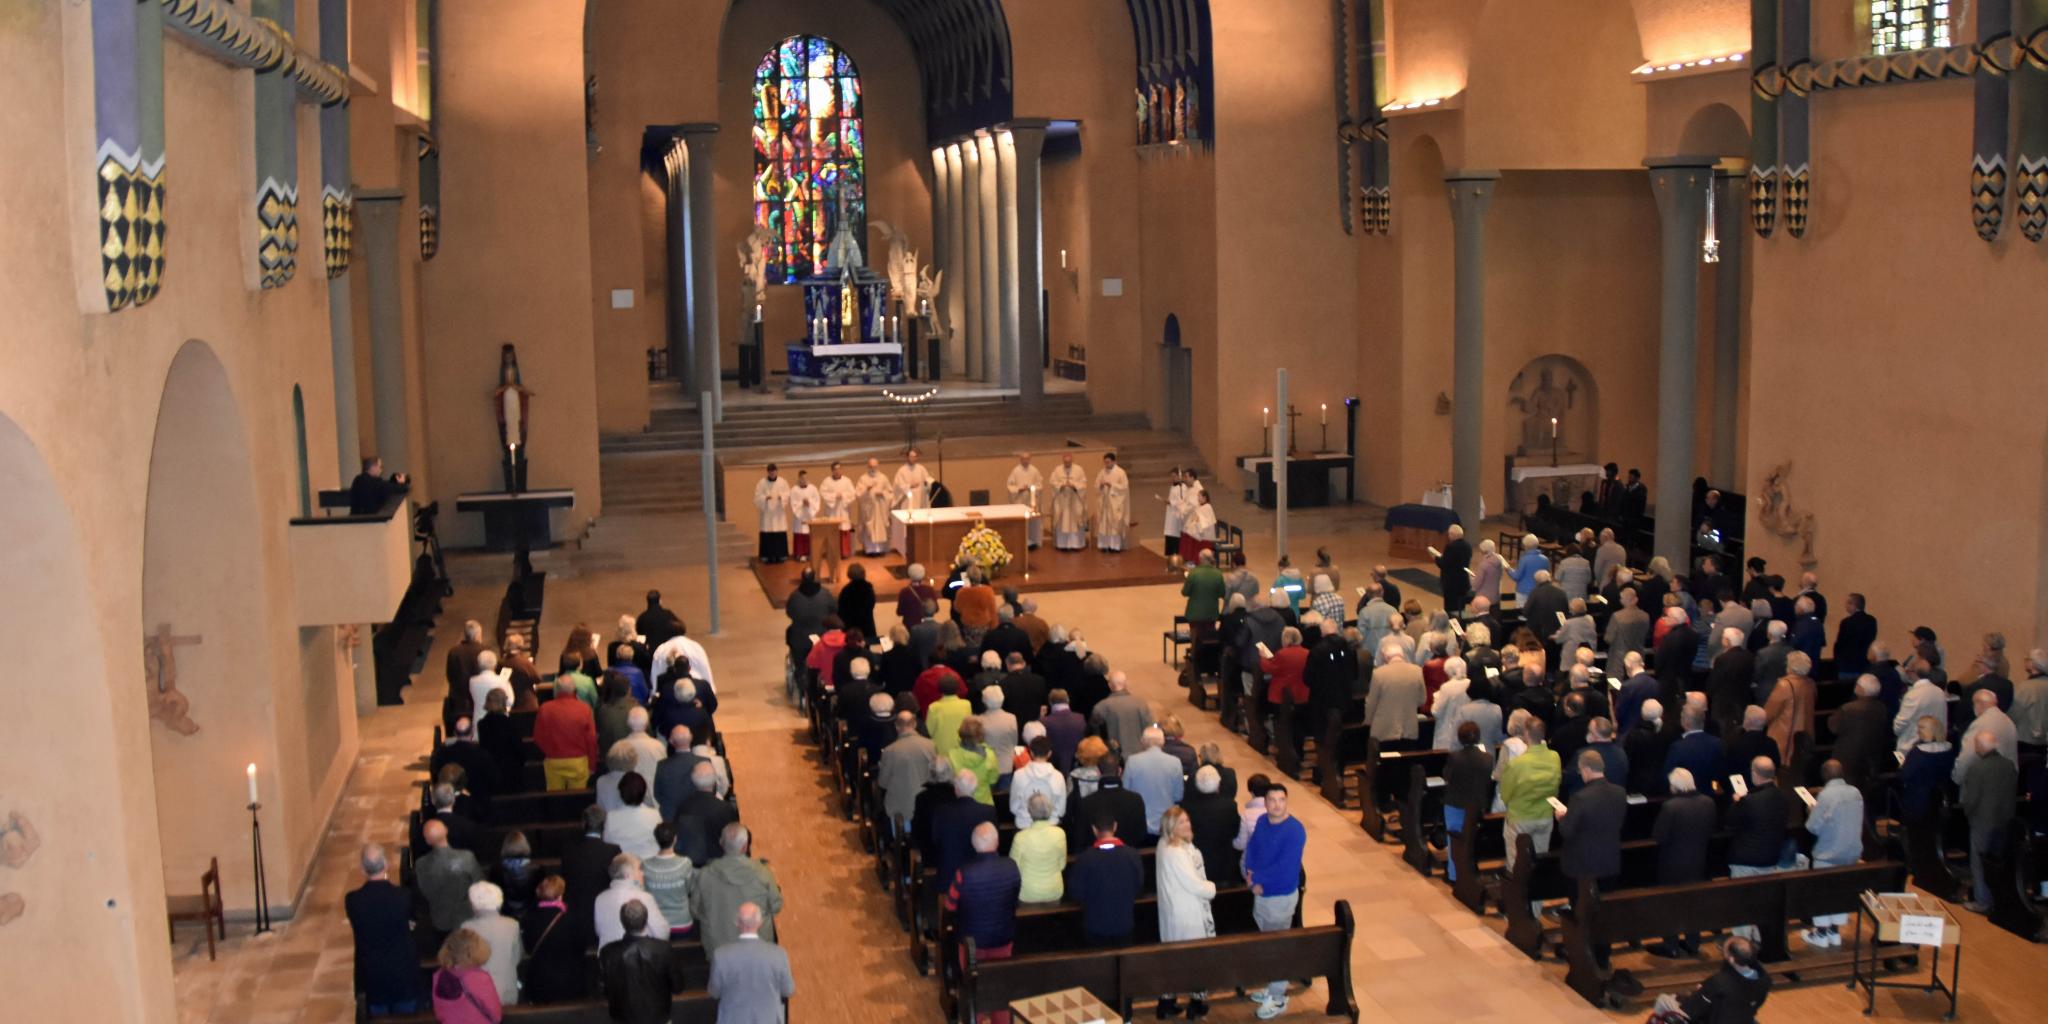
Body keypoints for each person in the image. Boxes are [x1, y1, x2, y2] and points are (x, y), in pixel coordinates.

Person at [1241, 783, 1307, 1019]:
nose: (1277, 804)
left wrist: (1257, 879)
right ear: (1265, 802)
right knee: (1268, 945)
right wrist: (1249, 875)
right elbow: (1253, 849)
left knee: (1278, 948)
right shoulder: (1261, 822)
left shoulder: (1295, 830)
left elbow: (1286, 867)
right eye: (1272, 800)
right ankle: (1272, 985)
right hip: (1260, 893)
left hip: (1280, 896)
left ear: (1286, 802)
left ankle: (1278, 997)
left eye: (1281, 799)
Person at [1558, 749, 1626, 968]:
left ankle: (1581, 953)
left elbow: (1567, 831)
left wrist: (1562, 817)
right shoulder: (1619, 792)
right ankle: (1602, 955)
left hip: (1582, 864)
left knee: (1582, 911)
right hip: (1609, 862)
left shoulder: (1580, 797)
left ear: (1586, 769)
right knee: (1602, 912)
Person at [1154, 804, 1218, 1019]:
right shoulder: (1176, 852)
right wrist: (1211, 888)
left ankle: (1167, 1002)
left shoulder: (1165, 844)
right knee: (1195, 959)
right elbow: (1194, 885)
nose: (1187, 824)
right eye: (1181, 822)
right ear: (1171, 826)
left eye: (1188, 820)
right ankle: (1196, 1005)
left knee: (1174, 958)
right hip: (1187, 913)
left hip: (1175, 910)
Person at [1647, 769, 1717, 957]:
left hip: (1673, 863)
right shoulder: (1708, 802)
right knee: (1693, 903)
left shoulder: (1671, 807)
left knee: (1670, 903)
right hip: (1699, 860)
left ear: (1675, 786)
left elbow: (1659, 836)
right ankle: (1693, 942)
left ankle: (1671, 944)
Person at [347, 844, 421, 1017]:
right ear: (387, 865)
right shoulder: (403, 896)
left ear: (363, 870)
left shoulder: (353, 900)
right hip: (403, 970)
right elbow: (413, 921)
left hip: (371, 973)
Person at [1799, 759, 1864, 947]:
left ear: (1824, 775)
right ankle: (1834, 932)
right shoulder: (1856, 792)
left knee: (1823, 894)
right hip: (1851, 852)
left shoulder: (1825, 795)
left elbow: (1813, 827)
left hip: (1829, 853)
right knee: (1841, 893)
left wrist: (1812, 810)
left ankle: (1820, 934)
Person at [692, 824, 784, 956]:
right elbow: (776, 906)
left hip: (718, 950)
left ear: (721, 843)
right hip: (757, 949)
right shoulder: (762, 873)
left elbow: (695, 910)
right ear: (745, 847)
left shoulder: (705, 874)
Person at [1725, 757, 1790, 940]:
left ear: (1754, 774)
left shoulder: (1749, 801)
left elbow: (1729, 821)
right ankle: (1762, 939)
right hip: (1770, 858)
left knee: (1743, 904)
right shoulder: (1783, 797)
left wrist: (1737, 802)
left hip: (1746, 859)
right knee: (1763, 903)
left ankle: (1742, 943)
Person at [1958, 729, 2018, 913]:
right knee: (1998, 861)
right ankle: (1999, 897)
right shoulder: (2009, 765)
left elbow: (1971, 800)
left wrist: (1968, 814)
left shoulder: (1977, 768)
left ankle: (1982, 901)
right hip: (2005, 819)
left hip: (1982, 821)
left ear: (1980, 747)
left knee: (1979, 861)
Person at [706, 903, 796, 1024]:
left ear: (737, 923)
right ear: (760, 923)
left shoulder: (721, 955)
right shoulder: (778, 954)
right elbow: (788, 990)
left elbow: (714, 992)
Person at [1651, 935, 1771, 1022]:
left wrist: (1694, 994)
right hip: (1743, 1018)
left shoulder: (1718, 982)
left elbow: (1691, 1010)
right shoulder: (1765, 979)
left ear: (1732, 959)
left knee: (1663, 999)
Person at [598, 900, 683, 1024]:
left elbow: (603, 989)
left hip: (623, 1019)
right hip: (658, 1018)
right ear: (646, 920)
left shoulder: (608, 952)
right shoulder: (663, 949)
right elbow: (678, 987)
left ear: (622, 922)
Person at [1067, 811, 1144, 947]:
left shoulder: (1085, 858)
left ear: (1094, 830)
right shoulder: (1132, 855)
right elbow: (1138, 887)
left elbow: (1076, 892)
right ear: (1115, 827)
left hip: (1095, 926)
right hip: (1124, 923)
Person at [1497, 718, 1561, 873]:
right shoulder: (1554, 757)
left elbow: (1505, 793)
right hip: (1545, 815)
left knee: (1515, 859)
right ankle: (1536, 894)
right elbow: (1556, 784)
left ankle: (1515, 893)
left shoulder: (1517, 764)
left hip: (1520, 816)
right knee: (1538, 860)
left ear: (1526, 734)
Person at [416, 820, 486, 945]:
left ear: (427, 841)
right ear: (446, 831)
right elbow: (480, 884)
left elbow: (424, 891)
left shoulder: (421, 864)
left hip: (441, 919)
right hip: (467, 917)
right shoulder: (466, 857)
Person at [520, 875, 584, 1004]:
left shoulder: (529, 917)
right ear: (560, 894)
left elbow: (528, 946)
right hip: (569, 979)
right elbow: (581, 946)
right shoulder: (572, 917)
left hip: (540, 979)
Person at [1442, 722, 1493, 883]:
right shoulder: (1487, 758)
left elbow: (1447, 777)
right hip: (1478, 805)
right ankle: (1470, 868)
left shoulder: (1455, 757)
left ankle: (1454, 875)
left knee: (1454, 838)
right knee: (1472, 838)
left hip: (1455, 803)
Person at [535, 669, 599, 790]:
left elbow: (538, 737)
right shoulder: (584, 709)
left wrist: (551, 751)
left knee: (556, 801)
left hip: (554, 761)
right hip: (578, 762)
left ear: (557, 689)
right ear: (574, 689)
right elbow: (591, 739)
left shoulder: (545, 708)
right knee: (577, 800)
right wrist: (592, 764)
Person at [461, 881, 521, 1006]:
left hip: (479, 991)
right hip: (506, 988)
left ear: (475, 904)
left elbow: (465, 962)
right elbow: (516, 957)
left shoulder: (467, 927)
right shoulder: (512, 924)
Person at [1125, 726, 1186, 843]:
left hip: (1140, 823)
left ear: (1143, 742)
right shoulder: (1175, 762)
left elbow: (1126, 791)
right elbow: (1178, 795)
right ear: (1162, 742)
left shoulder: (1132, 761)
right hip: (1167, 823)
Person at [429, 927, 503, 1024]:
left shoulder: (438, 976)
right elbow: (495, 1013)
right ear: (474, 951)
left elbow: (438, 1011)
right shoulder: (480, 978)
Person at [1005, 791, 1068, 904]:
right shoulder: (1060, 834)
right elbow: (1062, 865)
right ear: (1050, 810)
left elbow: (1013, 868)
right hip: (1053, 891)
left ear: (1030, 811)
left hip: (1027, 893)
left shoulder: (1020, 837)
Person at [1364, 638, 1426, 746]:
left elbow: (1371, 703)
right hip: (1409, 726)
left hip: (1385, 728)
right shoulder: (1417, 671)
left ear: (1386, 657)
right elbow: (1422, 699)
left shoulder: (1379, 674)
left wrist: (1368, 721)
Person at [676, 762, 738, 867]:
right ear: (714, 782)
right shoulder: (725, 809)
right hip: (718, 866)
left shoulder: (683, 807)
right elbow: (733, 841)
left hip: (691, 865)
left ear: (693, 781)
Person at [1952, 688, 2019, 783]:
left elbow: (1967, 756)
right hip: (2007, 780)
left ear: (1978, 704)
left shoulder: (1980, 724)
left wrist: (1957, 778)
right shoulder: (2008, 721)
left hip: (1985, 781)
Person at [1762, 651, 1816, 767]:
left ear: (1790, 666)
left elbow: (1768, 713)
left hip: (1785, 736)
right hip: (1804, 736)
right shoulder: (1811, 684)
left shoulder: (1785, 685)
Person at [641, 822, 696, 938]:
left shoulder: (645, 865)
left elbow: (644, 892)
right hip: (682, 922)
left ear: (656, 839)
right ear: (675, 839)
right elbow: (689, 889)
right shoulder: (685, 863)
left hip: (655, 924)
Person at [1008, 735, 1068, 830]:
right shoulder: (1058, 776)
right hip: (1051, 826)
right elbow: (1061, 811)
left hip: (1025, 826)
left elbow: (1013, 808)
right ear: (1049, 754)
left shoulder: (1018, 775)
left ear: (1031, 753)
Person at [1091, 671, 1156, 757]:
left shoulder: (1100, 707)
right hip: (1139, 754)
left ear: (1110, 686)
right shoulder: (1141, 704)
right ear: (1126, 684)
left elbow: (1095, 736)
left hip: (1113, 757)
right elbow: (1151, 728)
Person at [948, 717, 1002, 805]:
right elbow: (993, 781)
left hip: (961, 806)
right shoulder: (990, 755)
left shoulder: (951, 755)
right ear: (980, 735)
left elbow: (950, 785)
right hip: (985, 805)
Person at [1894, 670, 1950, 751]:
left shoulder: (1913, 694)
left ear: (1913, 674)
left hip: (1911, 745)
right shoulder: (1940, 692)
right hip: (1937, 745)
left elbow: (1899, 726)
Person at [1603, 587, 1651, 677]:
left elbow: (1608, 638)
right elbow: (1647, 634)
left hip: (1619, 660)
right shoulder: (1645, 616)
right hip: (1638, 656)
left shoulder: (1617, 616)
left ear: (1624, 600)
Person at [1046, 452, 1089, 551]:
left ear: (1072, 460)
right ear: (1063, 461)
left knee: (1075, 523)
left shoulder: (1079, 470)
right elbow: (1052, 483)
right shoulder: (1057, 470)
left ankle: (1076, 545)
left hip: (1075, 501)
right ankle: (1062, 545)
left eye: (1069, 462)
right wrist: (1061, 485)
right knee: (1062, 522)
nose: (1067, 464)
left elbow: (1084, 483)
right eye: (1065, 462)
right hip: (1062, 502)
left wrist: (1074, 486)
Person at [1182, 550, 1227, 645]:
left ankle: (1195, 657)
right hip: (1211, 613)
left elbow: (1185, 592)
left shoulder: (1193, 573)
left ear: (1200, 559)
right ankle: (1209, 658)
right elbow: (1222, 593)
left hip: (1195, 613)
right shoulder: (1218, 574)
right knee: (1210, 639)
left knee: (1195, 638)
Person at [852, 457, 893, 556]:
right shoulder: (863, 478)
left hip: (880, 509)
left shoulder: (883, 478)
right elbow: (858, 494)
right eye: (870, 466)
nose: (872, 468)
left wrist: (883, 494)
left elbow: (890, 493)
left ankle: (880, 550)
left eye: (874, 466)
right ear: (867, 466)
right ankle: (869, 550)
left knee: (880, 528)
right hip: (868, 510)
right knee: (869, 529)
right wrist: (866, 490)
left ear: (878, 466)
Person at [752, 464, 791, 564]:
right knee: (767, 533)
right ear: (768, 472)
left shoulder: (783, 482)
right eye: (770, 471)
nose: (772, 473)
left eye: (774, 471)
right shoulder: (762, 483)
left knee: (779, 532)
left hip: (778, 513)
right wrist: (765, 498)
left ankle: (781, 555)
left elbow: (788, 494)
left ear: (777, 471)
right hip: (767, 514)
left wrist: (781, 497)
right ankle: (767, 556)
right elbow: (757, 496)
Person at [1833, 593, 1878, 679]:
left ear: (1853, 605)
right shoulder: (1872, 621)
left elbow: (1840, 644)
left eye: (1847, 603)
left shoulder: (1846, 622)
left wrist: (1838, 661)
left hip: (1847, 666)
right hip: (1864, 664)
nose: (1845, 606)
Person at [926, 675, 973, 757]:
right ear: (957, 688)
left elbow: (929, 731)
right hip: (962, 750)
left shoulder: (934, 707)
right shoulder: (966, 705)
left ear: (940, 689)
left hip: (941, 752)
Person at [1094, 453, 1131, 551]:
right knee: (1104, 525)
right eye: (1105, 462)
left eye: (1108, 462)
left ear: (1114, 461)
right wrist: (1101, 486)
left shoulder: (1120, 472)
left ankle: (1114, 546)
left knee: (1113, 525)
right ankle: (1104, 545)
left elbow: (1124, 487)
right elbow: (1096, 486)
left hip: (1115, 504)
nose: (1106, 464)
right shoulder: (1101, 472)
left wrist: (1112, 485)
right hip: (1104, 504)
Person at [1434, 524, 1473, 611]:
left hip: (1451, 583)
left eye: (1449, 534)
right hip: (1463, 581)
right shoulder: (1468, 546)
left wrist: (1437, 558)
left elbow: (1444, 564)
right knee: (1461, 608)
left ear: (1452, 534)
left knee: (1450, 608)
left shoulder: (1450, 547)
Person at [2016, 648, 2048, 751]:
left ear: (2032, 663)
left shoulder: (2026, 688)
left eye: (2027, 659)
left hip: (2026, 742)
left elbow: (2014, 713)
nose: (2024, 661)